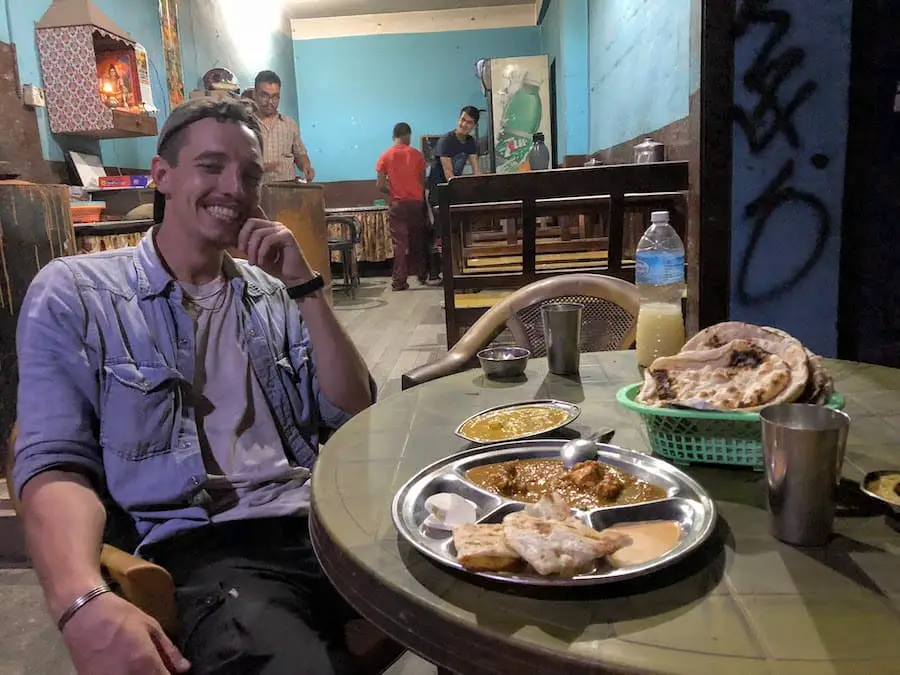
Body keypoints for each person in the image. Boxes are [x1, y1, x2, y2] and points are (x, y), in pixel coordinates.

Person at [12, 97, 376, 675]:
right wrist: (79, 599)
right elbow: (54, 461)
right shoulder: (79, 293)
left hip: (321, 524)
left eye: (250, 175)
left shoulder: (270, 292)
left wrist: (307, 288)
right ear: (162, 175)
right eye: (212, 166)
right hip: (211, 549)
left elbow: (353, 410)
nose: (234, 187)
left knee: (477, 597)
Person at [424, 105, 482, 282]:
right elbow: (449, 174)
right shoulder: (446, 141)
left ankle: (456, 269)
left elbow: (476, 170)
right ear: (459, 118)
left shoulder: (471, 142)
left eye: (469, 122)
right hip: (437, 190)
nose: (464, 124)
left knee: (455, 229)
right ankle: (436, 273)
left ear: (474, 125)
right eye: (463, 119)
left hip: (453, 190)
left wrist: (481, 189)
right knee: (439, 230)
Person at [375, 122, 427, 291]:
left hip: (398, 204)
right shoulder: (417, 155)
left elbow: (380, 184)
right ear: (408, 135)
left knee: (400, 244)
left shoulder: (384, 156)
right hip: (417, 203)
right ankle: (422, 275)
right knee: (417, 240)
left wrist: (393, 190)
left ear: (394, 136)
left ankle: (399, 281)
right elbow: (423, 181)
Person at [253, 70, 315, 183]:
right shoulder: (245, 126)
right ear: (255, 94)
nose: (270, 101)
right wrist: (260, 168)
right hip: (256, 190)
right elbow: (236, 164)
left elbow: (300, 154)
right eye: (264, 95)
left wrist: (306, 166)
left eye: (275, 97)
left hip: (287, 191)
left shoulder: (289, 124)